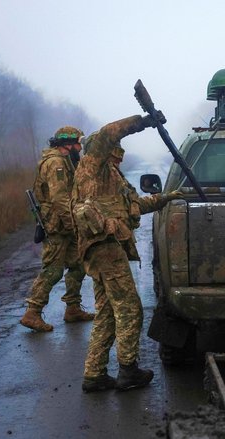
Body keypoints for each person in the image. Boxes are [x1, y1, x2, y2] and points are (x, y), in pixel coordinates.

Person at [71, 115, 182, 393]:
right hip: (104, 246)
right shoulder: (93, 165)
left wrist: (165, 199)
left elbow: (132, 207)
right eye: (116, 154)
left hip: (106, 247)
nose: (119, 159)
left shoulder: (111, 177)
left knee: (108, 310)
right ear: (107, 150)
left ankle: (94, 374)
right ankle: (128, 371)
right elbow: (110, 131)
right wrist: (144, 121)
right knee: (130, 308)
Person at [20, 126, 93, 332]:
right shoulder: (56, 163)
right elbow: (60, 199)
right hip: (58, 226)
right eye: (78, 143)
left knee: (78, 264)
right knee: (52, 269)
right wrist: (74, 224)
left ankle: (73, 308)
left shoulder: (63, 160)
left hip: (63, 224)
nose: (80, 148)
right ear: (68, 144)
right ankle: (32, 313)